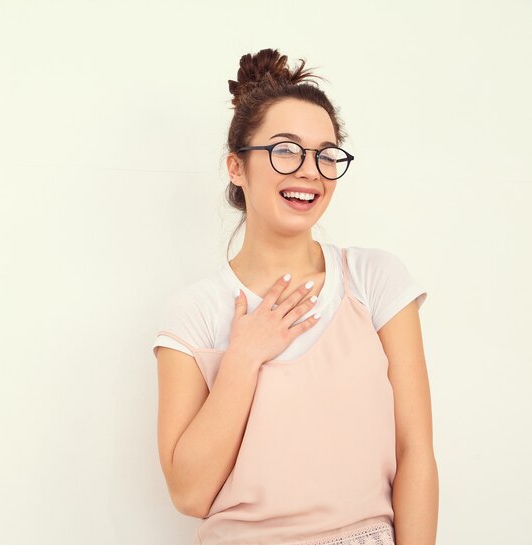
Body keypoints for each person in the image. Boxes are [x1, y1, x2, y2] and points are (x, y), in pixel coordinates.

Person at [152, 48, 439, 545]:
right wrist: (243, 357)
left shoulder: (374, 279)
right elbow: (189, 494)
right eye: (285, 150)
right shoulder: (195, 313)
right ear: (236, 168)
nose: (310, 170)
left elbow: (416, 450)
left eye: (326, 154)